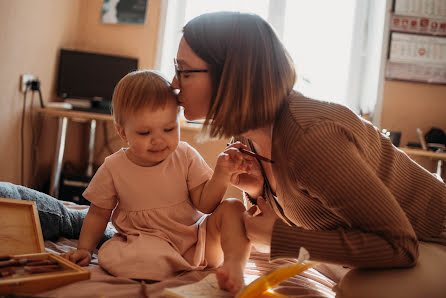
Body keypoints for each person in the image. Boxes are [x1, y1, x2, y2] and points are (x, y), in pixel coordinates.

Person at [171, 10, 446, 273]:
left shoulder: (312, 140)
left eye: (184, 71)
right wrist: (257, 192)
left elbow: (399, 246)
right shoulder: (247, 133)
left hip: (431, 242)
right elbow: (312, 216)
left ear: (230, 76)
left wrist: (280, 237)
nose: (174, 82)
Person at [61, 70, 250, 294]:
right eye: (144, 132)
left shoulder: (185, 155)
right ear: (123, 133)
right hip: (146, 240)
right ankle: (159, 267)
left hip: (199, 242)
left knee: (233, 208)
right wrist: (85, 249)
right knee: (116, 253)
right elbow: (97, 214)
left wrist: (222, 174)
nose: (159, 140)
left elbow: (206, 205)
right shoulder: (113, 167)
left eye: (169, 129)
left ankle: (234, 266)